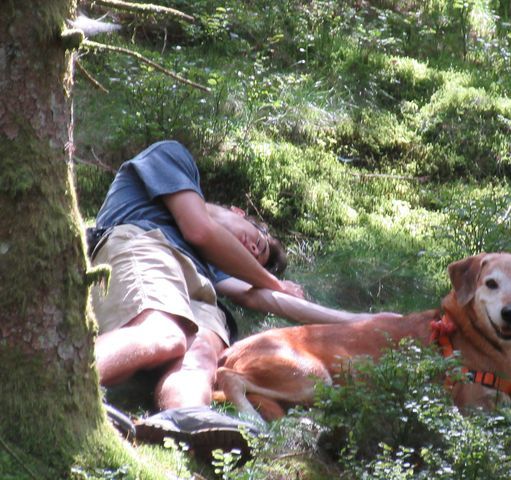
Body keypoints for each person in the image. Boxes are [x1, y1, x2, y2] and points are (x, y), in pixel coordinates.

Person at [90, 140, 399, 455]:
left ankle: (188, 420)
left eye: (258, 258)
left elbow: (262, 299)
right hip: (144, 242)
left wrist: (362, 322)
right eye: (259, 244)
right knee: (164, 334)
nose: (252, 252)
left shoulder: (214, 268)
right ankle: (62, 381)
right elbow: (200, 230)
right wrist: (270, 279)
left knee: (201, 356)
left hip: (199, 285)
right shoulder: (171, 155)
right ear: (239, 212)